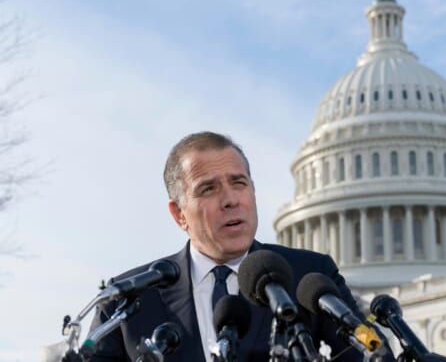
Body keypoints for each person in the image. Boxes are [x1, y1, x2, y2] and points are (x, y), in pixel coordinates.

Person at [88, 132, 385, 361]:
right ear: (179, 214)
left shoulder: (310, 277)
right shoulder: (127, 298)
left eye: (239, 183)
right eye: (209, 188)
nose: (231, 199)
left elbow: (372, 356)